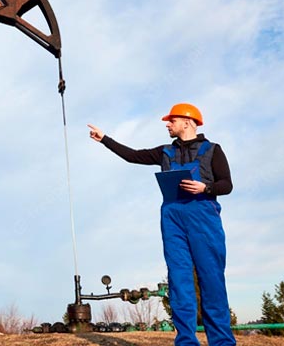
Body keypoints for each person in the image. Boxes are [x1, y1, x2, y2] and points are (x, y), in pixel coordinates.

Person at [88, 103, 236, 346]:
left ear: (188, 122)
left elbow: (227, 184)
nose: (168, 124)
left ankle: (222, 342)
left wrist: (206, 188)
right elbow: (133, 156)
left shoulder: (213, 150)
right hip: (172, 218)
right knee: (179, 281)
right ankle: (186, 341)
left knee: (211, 280)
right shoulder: (164, 152)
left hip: (203, 216)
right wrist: (105, 139)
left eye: (172, 120)